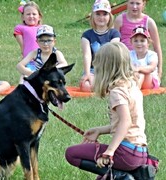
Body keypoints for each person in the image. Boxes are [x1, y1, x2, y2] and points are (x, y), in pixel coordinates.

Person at [65, 42, 154, 179]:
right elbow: (131, 122)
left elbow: (126, 122)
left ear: (106, 68)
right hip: (140, 153)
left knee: (71, 153)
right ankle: (117, 175)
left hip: (125, 153)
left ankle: (122, 176)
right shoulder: (132, 86)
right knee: (101, 178)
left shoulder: (117, 92)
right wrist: (100, 130)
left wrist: (109, 151)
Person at [114, 0, 163, 80]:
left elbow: (157, 47)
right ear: (127, 3)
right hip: (125, 61)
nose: (134, 6)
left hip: (142, 60)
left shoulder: (149, 22)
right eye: (132, 3)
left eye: (138, 3)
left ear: (143, 4)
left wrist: (159, 72)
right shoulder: (120, 20)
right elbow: (115, 45)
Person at [79, 0, 120, 92]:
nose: (101, 17)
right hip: (94, 70)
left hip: (110, 70)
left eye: (105, 14)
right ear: (93, 16)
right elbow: (87, 55)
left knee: (118, 85)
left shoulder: (114, 34)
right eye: (98, 14)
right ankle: (101, 86)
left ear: (110, 16)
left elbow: (113, 55)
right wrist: (87, 73)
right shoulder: (87, 35)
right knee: (86, 86)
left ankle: (103, 86)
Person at [14, 1, 43, 83]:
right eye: (28, 14)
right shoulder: (20, 28)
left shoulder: (43, 29)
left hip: (43, 60)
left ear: (39, 16)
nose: (31, 16)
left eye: (34, 14)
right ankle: (21, 89)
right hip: (30, 60)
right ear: (23, 17)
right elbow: (22, 45)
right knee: (25, 76)